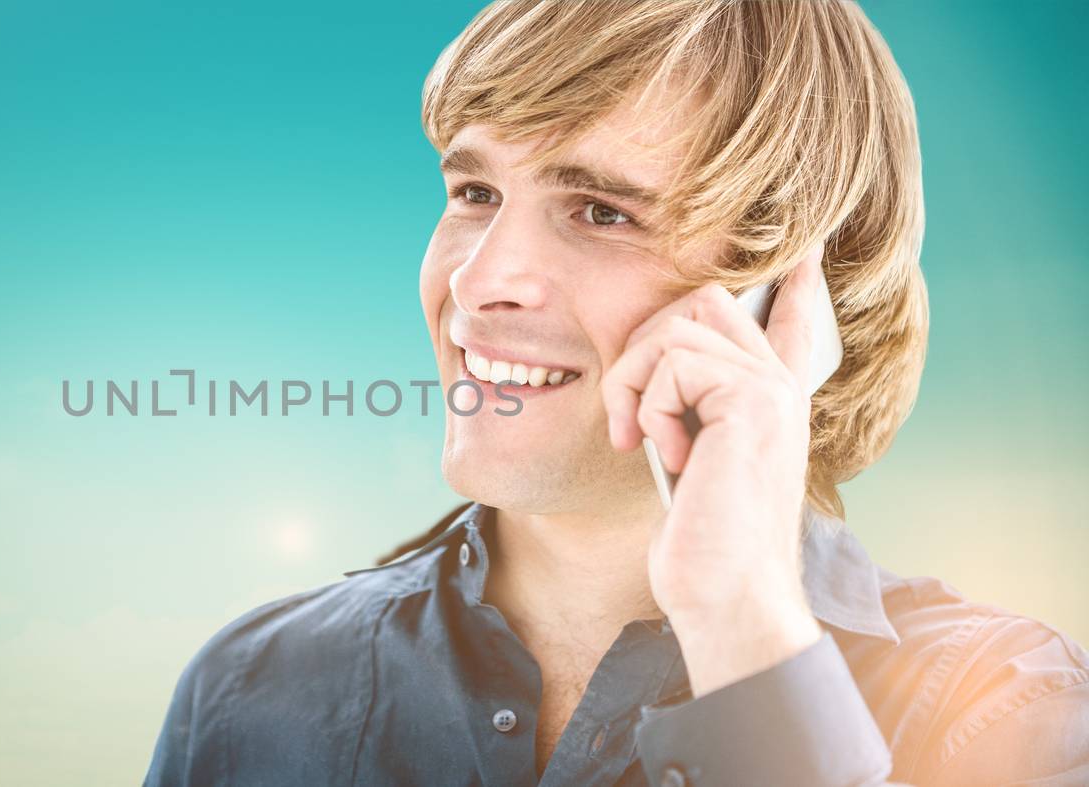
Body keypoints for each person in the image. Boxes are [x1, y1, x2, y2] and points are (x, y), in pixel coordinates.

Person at [144, 2, 1089, 785]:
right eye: (474, 191)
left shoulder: (1005, 709)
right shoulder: (250, 695)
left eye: (601, 211)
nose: (480, 281)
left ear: (790, 297)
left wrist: (739, 617)